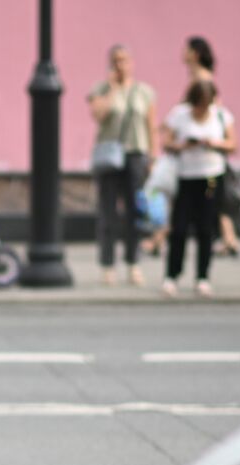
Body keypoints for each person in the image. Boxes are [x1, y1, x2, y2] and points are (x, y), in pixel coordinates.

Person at [86, 44, 157, 286]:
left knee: (134, 212)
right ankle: (107, 266)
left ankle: (133, 263)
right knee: (108, 213)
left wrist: (153, 158)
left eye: (124, 60)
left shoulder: (143, 92)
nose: (120, 65)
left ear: (132, 62)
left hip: (135, 155)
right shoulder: (101, 89)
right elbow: (98, 115)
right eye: (116, 60)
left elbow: (151, 125)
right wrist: (113, 89)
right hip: (109, 157)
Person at [159, 80, 235, 297]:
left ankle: (202, 277)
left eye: (205, 104)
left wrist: (214, 143)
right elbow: (167, 142)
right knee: (179, 227)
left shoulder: (220, 115)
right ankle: (171, 276)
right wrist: (184, 145)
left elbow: (232, 143)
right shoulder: (179, 114)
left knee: (205, 227)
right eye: (198, 104)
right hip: (186, 177)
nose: (201, 109)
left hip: (211, 177)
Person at [183, 36, 240, 258]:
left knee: (210, 195)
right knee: (215, 195)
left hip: (206, 149)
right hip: (207, 147)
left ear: (195, 53)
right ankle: (230, 238)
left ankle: (159, 237)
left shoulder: (202, 79)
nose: (183, 53)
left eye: (186, 50)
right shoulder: (199, 76)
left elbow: (212, 110)